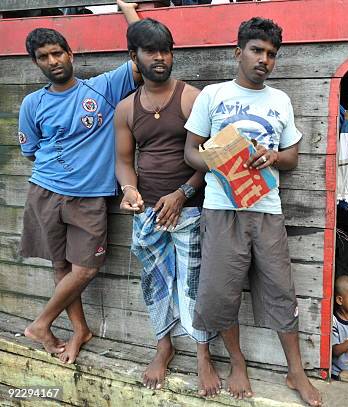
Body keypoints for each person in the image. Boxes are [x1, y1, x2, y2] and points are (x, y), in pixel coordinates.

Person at [183, 17, 321, 406]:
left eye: (271, 54)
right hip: (221, 208)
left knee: (280, 288)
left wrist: (274, 156)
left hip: (266, 208)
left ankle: (296, 371)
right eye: (257, 51)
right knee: (220, 292)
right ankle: (237, 362)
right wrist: (219, 160)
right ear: (238, 51)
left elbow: (292, 156)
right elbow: (190, 152)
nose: (264, 60)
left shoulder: (280, 101)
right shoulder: (213, 95)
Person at [17, 1, 141, 364]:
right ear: (36, 63)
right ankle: (80, 330)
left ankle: (41, 323)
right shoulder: (32, 103)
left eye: (58, 53)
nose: (53, 61)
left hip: (90, 198)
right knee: (60, 266)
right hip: (44, 191)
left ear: (71, 54)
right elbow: (30, 149)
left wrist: (127, 9)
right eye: (44, 57)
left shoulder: (102, 88)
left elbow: (144, 53)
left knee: (85, 268)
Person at [114, 14, 220, 392]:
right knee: (155, 281)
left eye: (166, 50)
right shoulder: (126, 108)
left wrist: (183, 194)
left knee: (194, 283)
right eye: (151, 51)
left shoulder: (192, 99)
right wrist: (129, 190)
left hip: (189, 209)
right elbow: (124, 163)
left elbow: (212, 158)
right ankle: (164, 347)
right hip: (148, 212)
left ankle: (203, 355)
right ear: (134, 56)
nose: (160, 57)